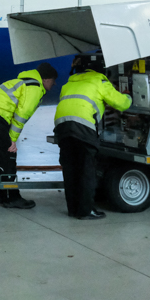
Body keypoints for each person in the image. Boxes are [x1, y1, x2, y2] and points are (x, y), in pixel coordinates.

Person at [54, 54, 132, 220]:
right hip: (82, 128)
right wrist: (128, 95)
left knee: (70, 170)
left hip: (62, 128)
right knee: (86, 170)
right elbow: (121, 103)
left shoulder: (69, 83)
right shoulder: (100, 81)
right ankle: (86, 210)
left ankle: (73, 209)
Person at [0, 63, 58, 208]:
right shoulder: (35, 88)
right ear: (45, 79)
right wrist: (12, 140)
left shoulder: (26, 83)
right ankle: (11, 198)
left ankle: (4, 196)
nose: (54, 83)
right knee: (8, 156)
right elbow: (21, 116)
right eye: (53, 80)